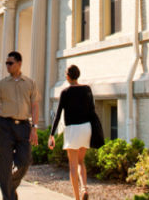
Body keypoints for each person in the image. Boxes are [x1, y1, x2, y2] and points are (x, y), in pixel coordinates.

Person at [0, 51, 39, 200]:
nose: (7, 66)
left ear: (19, 63)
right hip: (5, 126)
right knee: (5, 165)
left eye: (10, 63)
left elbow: (34, 106)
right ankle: (9, 197)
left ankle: (10, 187)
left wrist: (34, 128)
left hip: (24, 126)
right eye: (6, 63)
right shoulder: (1, 84)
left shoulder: (30, 83)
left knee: (25, 160)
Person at [48, 65, 97, 200]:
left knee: (73, 166)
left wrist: (51, 135)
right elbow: (92, 109)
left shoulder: (65, 92)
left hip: (72, 130)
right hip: (86, 128)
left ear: (68, 76)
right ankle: (84, 187)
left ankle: (77, 197)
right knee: (81, 161)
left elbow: (58, 115)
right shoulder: (87, 89)